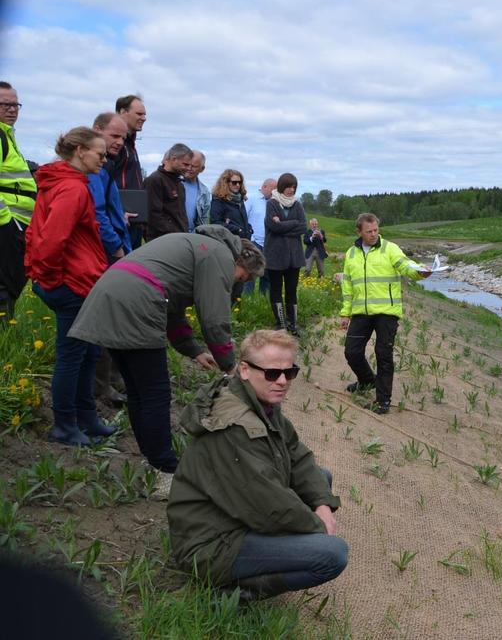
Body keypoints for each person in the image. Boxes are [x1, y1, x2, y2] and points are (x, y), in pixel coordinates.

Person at [69, 225, 265, 498]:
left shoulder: (197, 245)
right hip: (136, 301)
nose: (237, 283)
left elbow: (171, 307)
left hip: (110, 295)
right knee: (156, 394)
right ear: (241, 262)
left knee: (139, 391)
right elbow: (214, 318)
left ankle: (152, 459)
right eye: (241, 278)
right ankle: (165, 471)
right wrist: (230, 363)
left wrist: (194, 350)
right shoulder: (220, 254)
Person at [167, 329, 346, 600]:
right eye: (273, 373)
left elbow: (298, 456)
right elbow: (269, 507)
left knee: (321, 478)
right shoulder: (235, 426)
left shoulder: (261, 402)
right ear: (245, 370)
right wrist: (320, 528)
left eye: (290, 372)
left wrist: (323, 504)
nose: (283, 381)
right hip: (210, 545)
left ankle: (262, 564)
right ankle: (234, 594)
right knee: (332, 554)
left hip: (236, 516)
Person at [23, 127, 112, 446]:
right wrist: (51, 278)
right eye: (100, 154)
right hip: (72, 283)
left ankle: (86, 418)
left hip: (79, 280)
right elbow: (51, 239)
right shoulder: (72, 189)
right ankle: (64, 424)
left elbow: (40, 230)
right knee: (73, 355)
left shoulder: (61, 182)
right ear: (79, 151)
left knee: (88, 352)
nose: (104, 159)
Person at [340, 213, 430, 415]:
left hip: (387, 313)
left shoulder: (390, 248)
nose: (373, 235)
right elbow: (347, 286)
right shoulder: (351, 254)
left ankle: (383, 401)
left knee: (383, 355)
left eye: (375, 231)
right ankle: (366, 381)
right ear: (359, 231)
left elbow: (405, 265)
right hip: (361, 312)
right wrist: (345, 313)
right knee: (351, 352)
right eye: (368, 231)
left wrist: (419, 272)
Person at [87, 112, 133, 408]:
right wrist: (116, 247)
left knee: (114, 320)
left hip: (115, 248)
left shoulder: (106, 168)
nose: (119, 142)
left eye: (123, 138)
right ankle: (100, 389)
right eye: (114, 136)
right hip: (105, 254)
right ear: (97, 130)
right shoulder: (96, 169)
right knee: (103, 322)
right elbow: (97, 213)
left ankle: (111, 381)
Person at [0, 81, 37, 317]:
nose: (12, 110)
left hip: (16, 224)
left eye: (16, 105)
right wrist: (6, 221)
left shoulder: (7, 136)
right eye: (5, 104)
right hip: (7, 224)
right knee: (5, 284)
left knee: (10, 283)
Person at [264, 173, 306, 336]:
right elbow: (273, 227)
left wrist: (282, 224)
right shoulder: (272, 204)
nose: (291, 190)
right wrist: (292, 224)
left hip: (294, 257)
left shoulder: (298, 205)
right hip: (275, 256)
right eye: (288, 186)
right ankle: (280, 324)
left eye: (294, 187)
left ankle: (292, 324)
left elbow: (302, 227)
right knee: (276, 289)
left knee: (291, 290)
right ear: (281, 186)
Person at [210, 169, 252, 302]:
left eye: (240, 182)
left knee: (240, 281)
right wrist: (237, 229)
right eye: (234, 182)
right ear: (225, 182)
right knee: (228, 280)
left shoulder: (239, 201)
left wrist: (248, 228)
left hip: (241, 245)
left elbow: (241, 221)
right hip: (227, 246)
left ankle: (236, 312)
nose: (238, 185)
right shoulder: (218, 200)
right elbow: (216, 223)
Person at [110, 94, 146, 249]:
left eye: (145, 114)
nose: (144, 118)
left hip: (134, 223)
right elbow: (102, 183)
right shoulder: (113, 145)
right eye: (139, 114)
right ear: (123, 112)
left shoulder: (130, 145)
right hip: (119, 223)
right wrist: (116, 213)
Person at [144, 142, 192, 240]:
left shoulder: (180, 184)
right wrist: (171, 236)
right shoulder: (155, 180)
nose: (188, 169)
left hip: (180, 239)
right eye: (185, 164)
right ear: (174, 159)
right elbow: (153, 215)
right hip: (163, 241)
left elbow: (181, 215)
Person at [244, 178, 275, 295]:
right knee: (250, 273)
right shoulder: (252, 199)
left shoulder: (274, 202)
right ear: (265, 187)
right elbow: (244, 217)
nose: (274, 192)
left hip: (269, 243)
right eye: (273, 189)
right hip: (254, 242)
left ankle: (263, 300)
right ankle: (247, 299)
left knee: (267, 274)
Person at [181, 150, 211, 232]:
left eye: (194, 166)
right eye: (187, 164)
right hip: (172, 236)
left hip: (193, 237)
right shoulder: (171, 183)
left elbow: (204, 220)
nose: (189, 168)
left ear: (202, 169)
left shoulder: (204, 192)